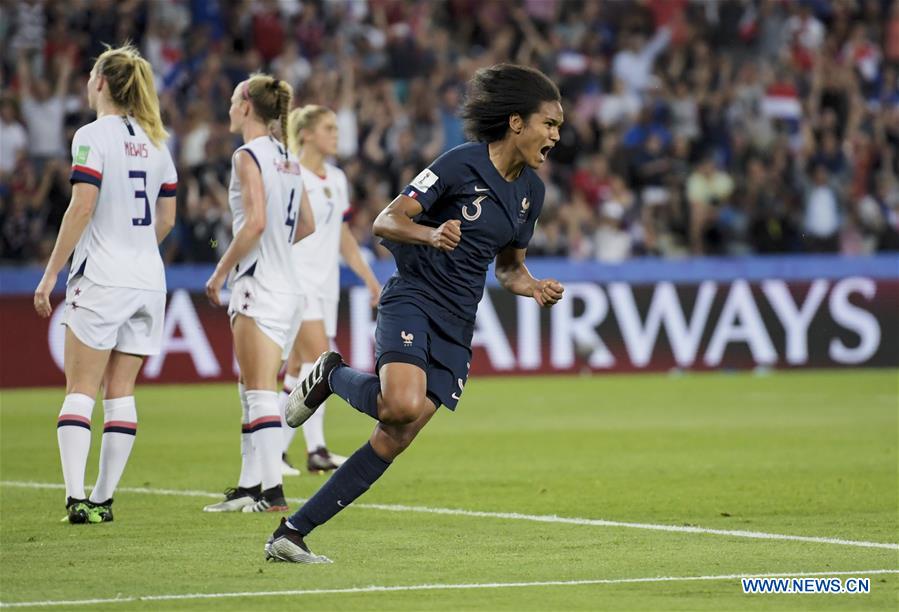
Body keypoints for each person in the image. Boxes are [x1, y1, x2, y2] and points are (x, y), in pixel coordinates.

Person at [264, 64, 565, 563]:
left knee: (394, 436)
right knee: (399, 405)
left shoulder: (531, 193)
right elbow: (386, 221)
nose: (556, 135)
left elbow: (510, 267)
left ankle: (291, 534)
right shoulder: (460, 164)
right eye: (549, 123)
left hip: (458, 321)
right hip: (415, 296)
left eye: (558, 127)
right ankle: (332, 374)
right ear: (517, 122)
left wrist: (532, 287)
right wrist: (430, 233)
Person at [32, 44, 177, 524]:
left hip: (103, 278)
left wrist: (52, 272)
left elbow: (82, 206)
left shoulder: (91, 135)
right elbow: (168, 216)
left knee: (81, 387)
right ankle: (103, 499)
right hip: (147, 280)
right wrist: (137, 248)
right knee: (121, 392)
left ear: (99, 83)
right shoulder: (159, 141)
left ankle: (76, 499)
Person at [202, 74, 315, 514]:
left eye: (233, 100)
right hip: (289, 289)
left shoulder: (247, 155)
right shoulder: (287, 157)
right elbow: (305, 224)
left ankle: (272, 493)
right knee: (253, 386)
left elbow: (255, 223)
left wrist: (219, 272)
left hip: (258, 285)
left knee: (260, 391)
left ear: (247, 106)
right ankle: (251, 487)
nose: (230, 108)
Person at [278, 105, 382, 476]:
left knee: (296, 369)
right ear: (305, 133)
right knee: (321, 360)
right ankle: (316, 450)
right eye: (328, 128)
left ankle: (273, 452)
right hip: (295, 280)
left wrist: (368, 278)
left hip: (325, 284)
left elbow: (342, 235)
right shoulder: (290, 173)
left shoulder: (336, 178)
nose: (335, 134)